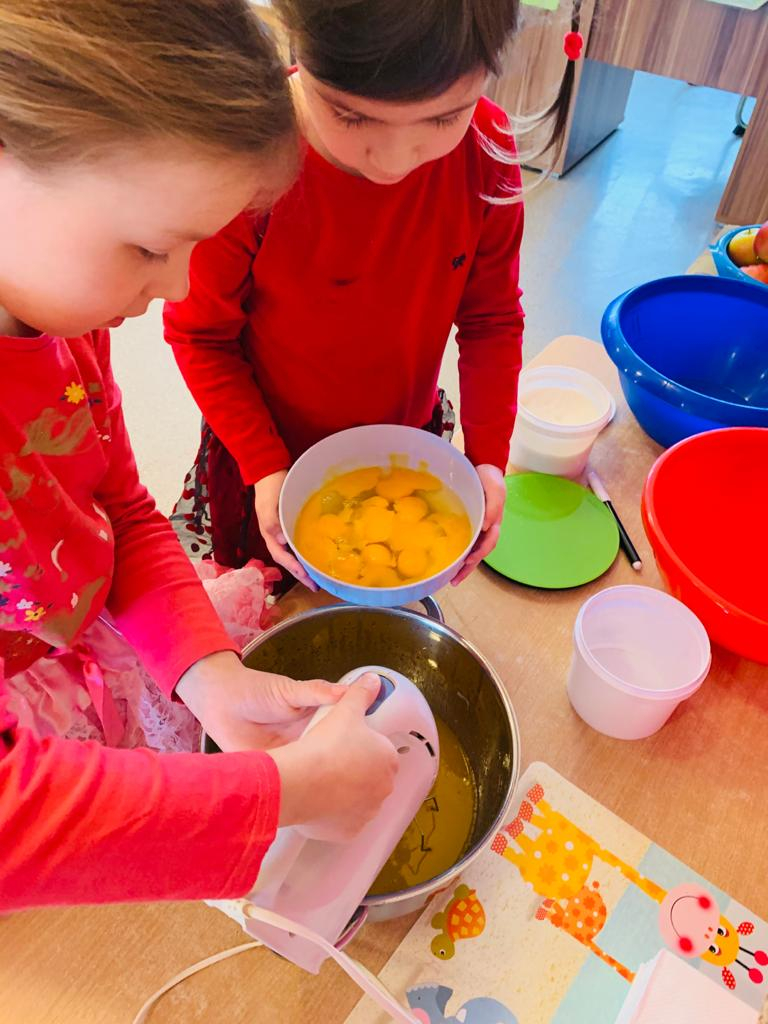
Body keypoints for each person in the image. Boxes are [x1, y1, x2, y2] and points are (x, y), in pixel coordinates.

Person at [0, 0, 397, 913]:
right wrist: (285, 796)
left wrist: (210, 677)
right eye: (150, 247)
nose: (178, 286)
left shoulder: (63, 320)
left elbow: (119, 507)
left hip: (62, 640)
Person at [164, 0, 583, 589]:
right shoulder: (248, 163)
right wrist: (265, 464)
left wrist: (488, 457)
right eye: (352, 117)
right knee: (274, 595)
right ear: (298, 49)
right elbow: (201, 335)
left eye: (444, 117)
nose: (394, 160)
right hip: (269, 453)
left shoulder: (485, 149)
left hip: (406, 431)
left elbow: (490, 319)